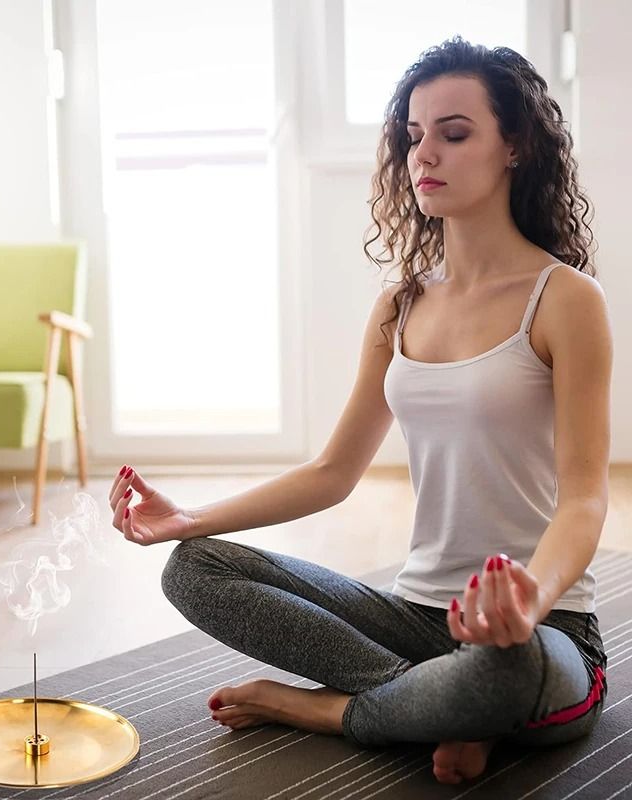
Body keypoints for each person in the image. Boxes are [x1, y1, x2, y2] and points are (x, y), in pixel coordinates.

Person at [107, 36, 612, 785]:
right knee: (195, 569)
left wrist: (528, 602)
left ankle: (333, 709)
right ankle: (439, 707)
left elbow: (585, 496)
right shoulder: (400, 305)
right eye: (413, 137)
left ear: (516, 146)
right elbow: (333, 471)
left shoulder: (565, 300)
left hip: (540, 629)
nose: (424, 155)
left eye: (454, 132)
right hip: (413, 620)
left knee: (506, 671)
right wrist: (188, 520)